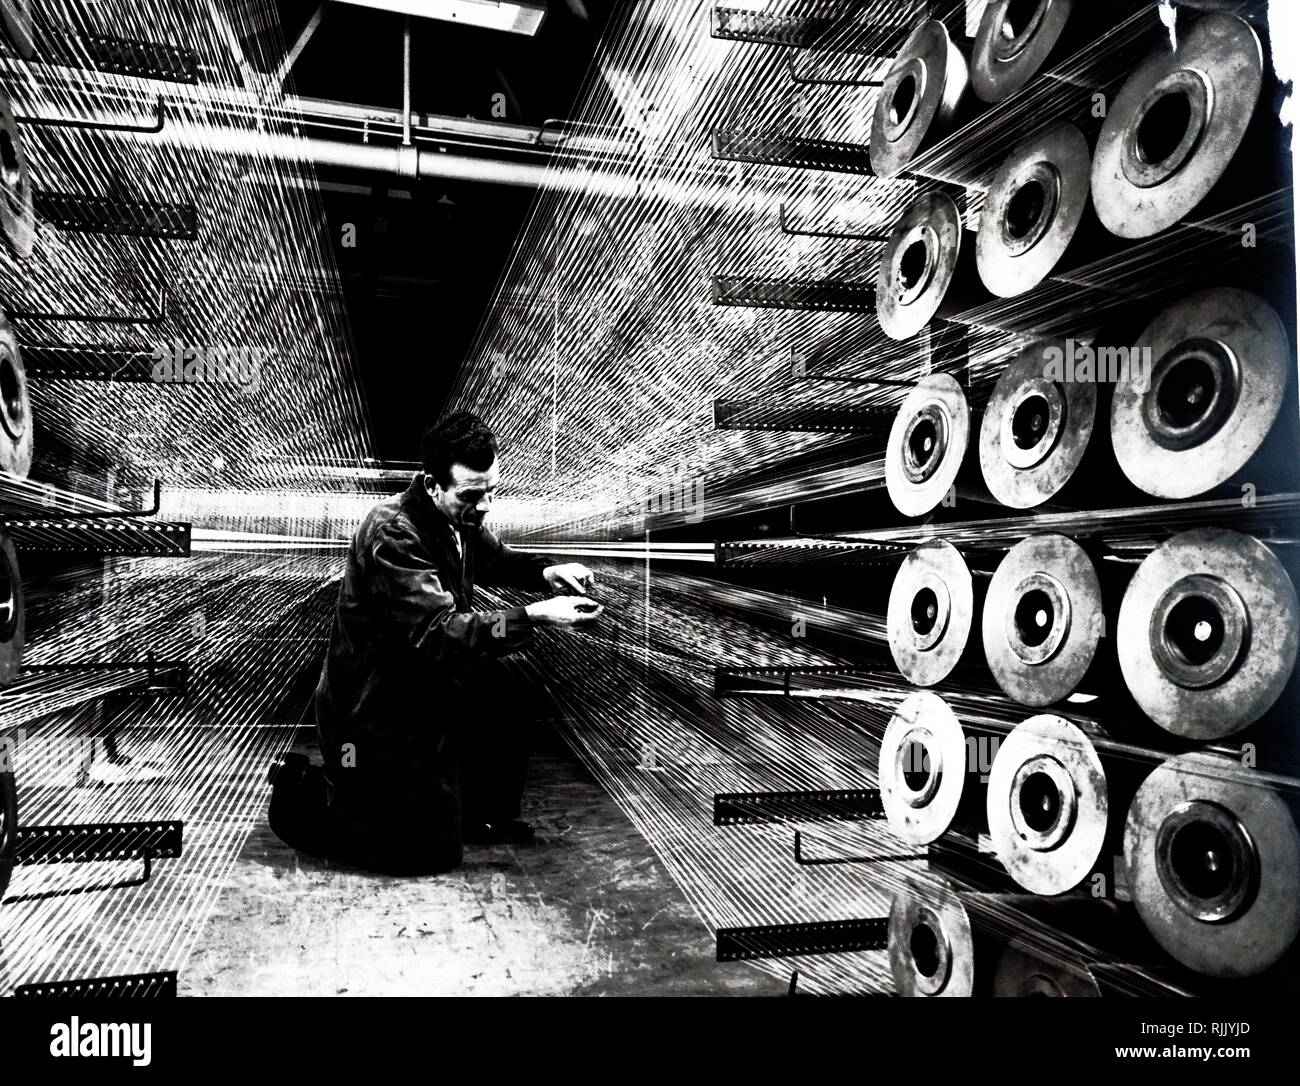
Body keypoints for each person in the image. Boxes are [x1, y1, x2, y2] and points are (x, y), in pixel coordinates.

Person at [267, 411, 602, 874]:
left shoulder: (456, 516)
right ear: (432, 485)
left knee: (513, 686)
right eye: (472, 495)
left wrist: (546, 571)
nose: (484, 507)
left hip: (424, 684)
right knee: (427, 855)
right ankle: (308, 791)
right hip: (373, 714)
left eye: (491, 492)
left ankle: (481, 817)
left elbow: (496, 559)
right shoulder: (395, 532)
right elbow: (438, 632)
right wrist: (534, 616)